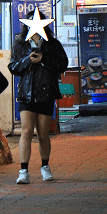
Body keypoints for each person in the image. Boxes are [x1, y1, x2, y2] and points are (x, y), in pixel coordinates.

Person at [8, 15, 68, 184]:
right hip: (26, 93)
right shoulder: (21, 44)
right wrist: (28, 60)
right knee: (26, 131)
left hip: (46, 92)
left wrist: (44, 60)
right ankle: (23, 170)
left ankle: (45, 166)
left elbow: (63, 64)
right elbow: (13, 66)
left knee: (43, 133)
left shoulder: (52, 44)